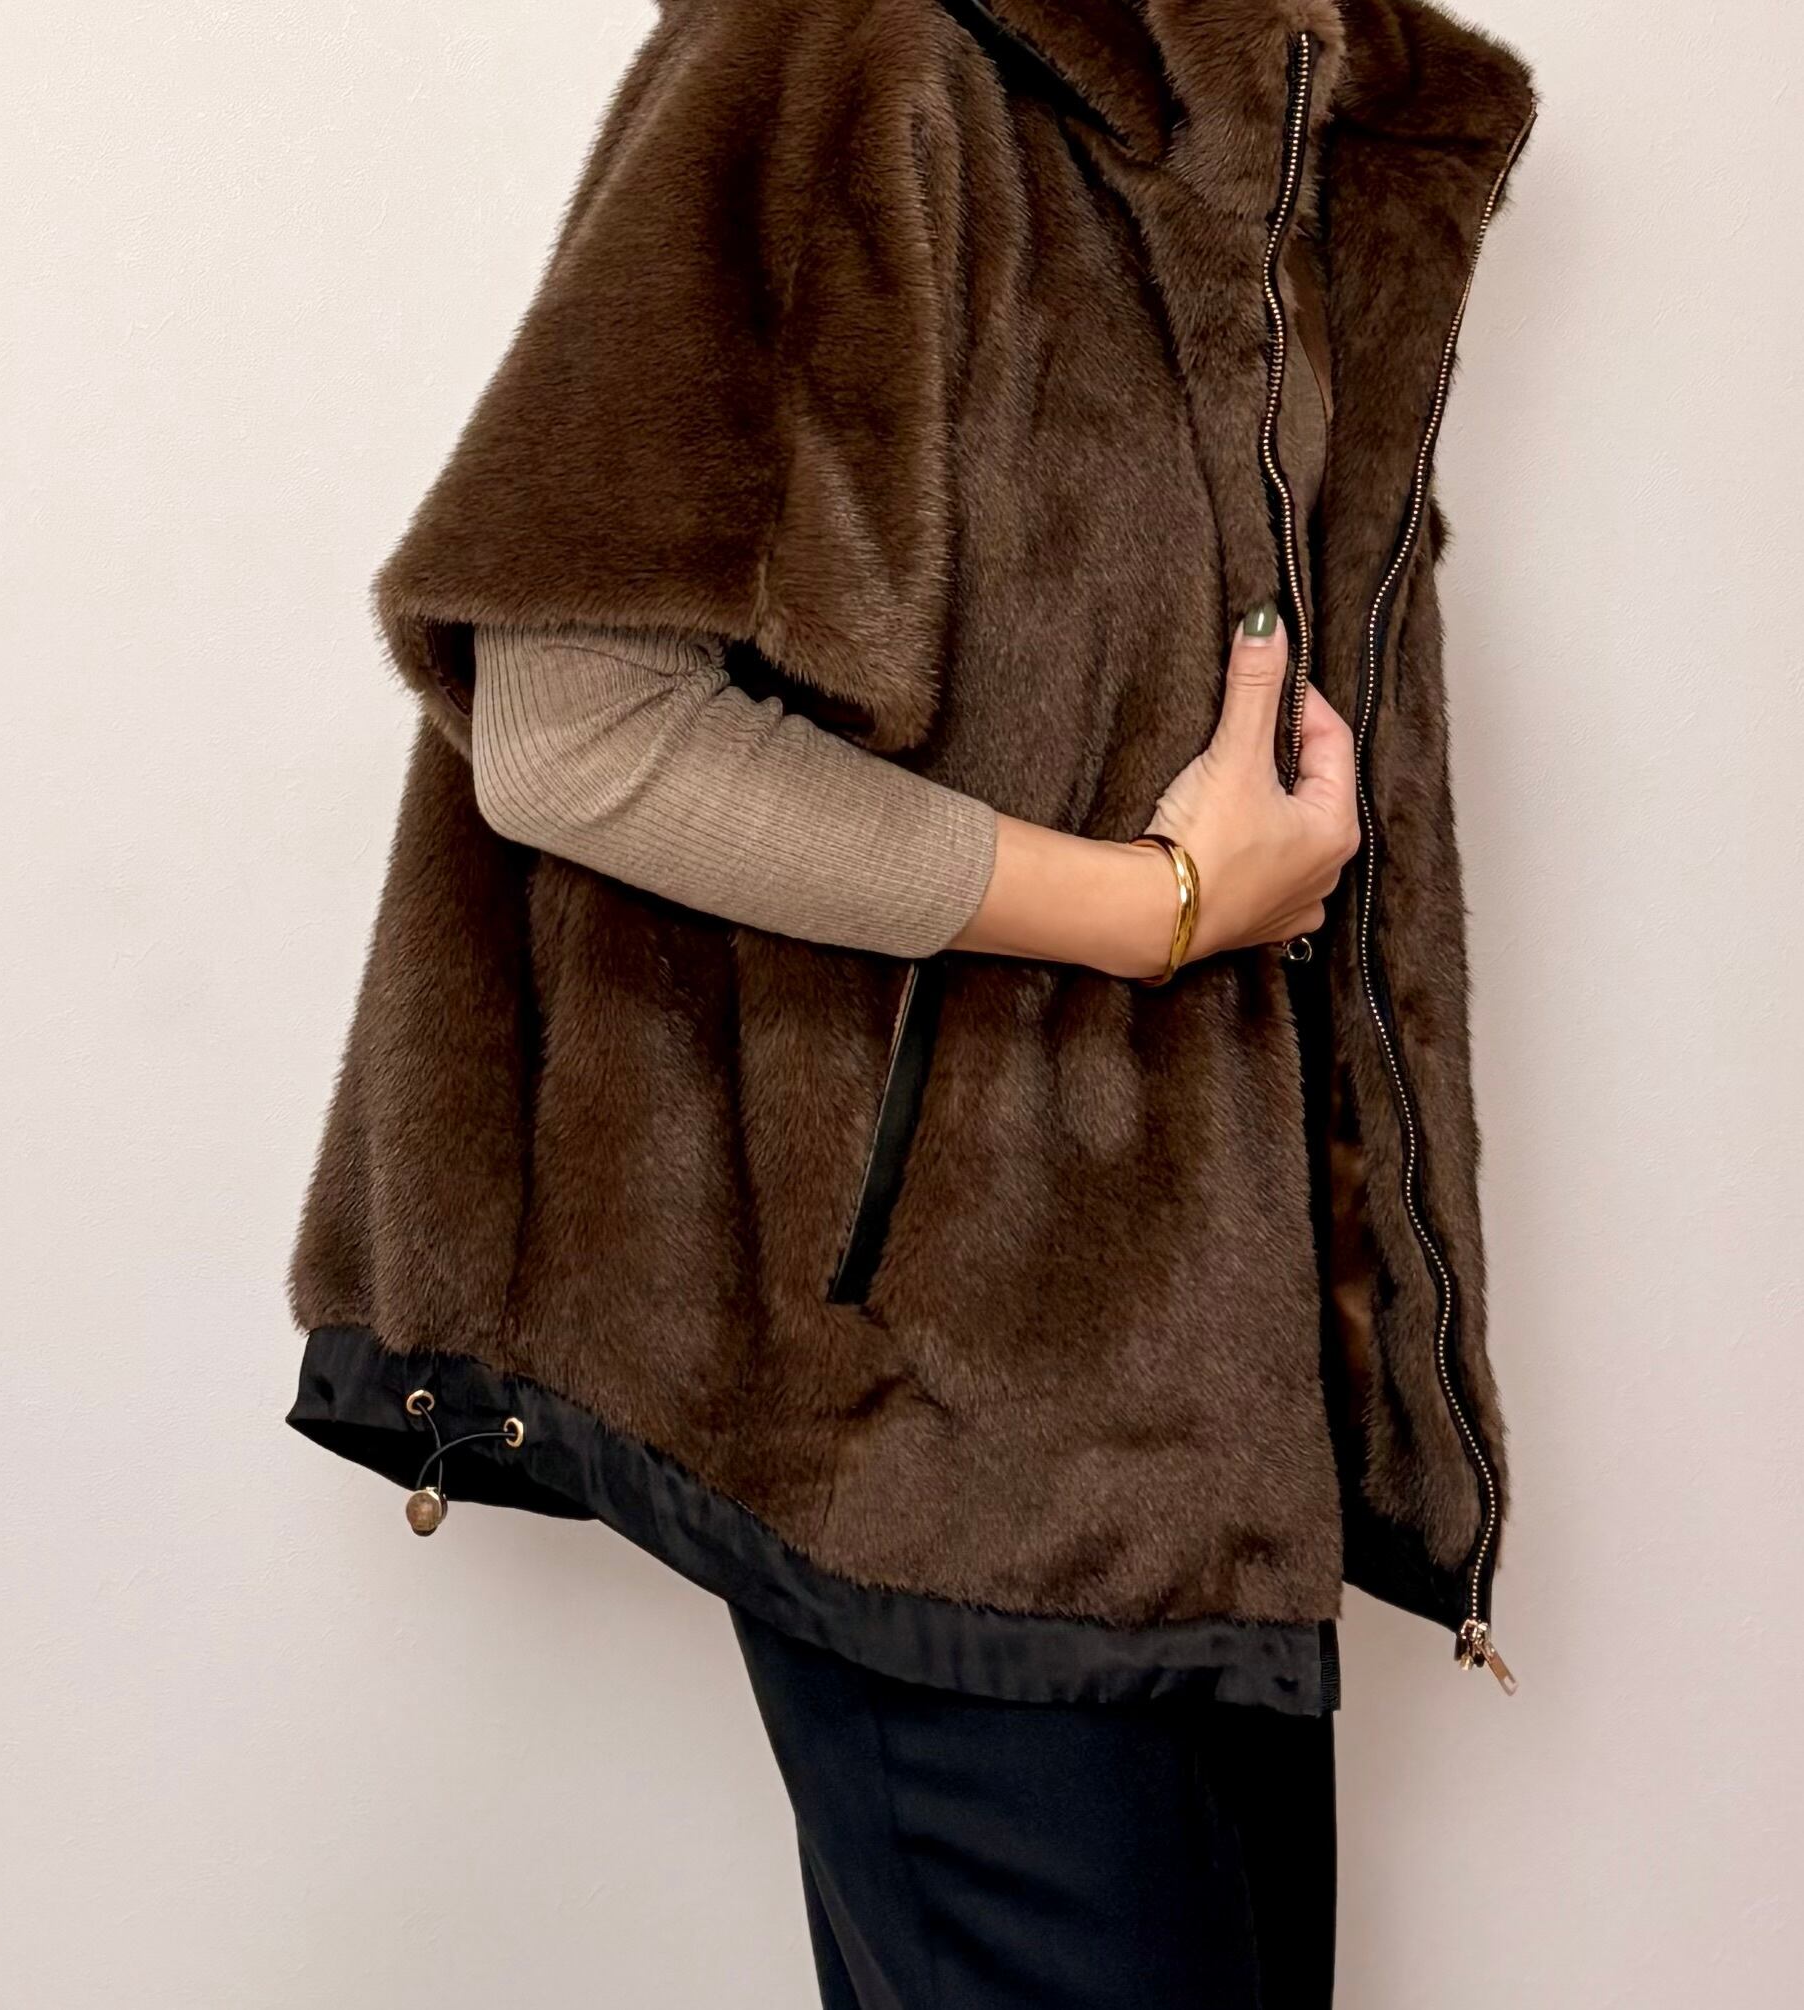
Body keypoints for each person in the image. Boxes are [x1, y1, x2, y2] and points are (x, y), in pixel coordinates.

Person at [286, 2, 1540, 2003]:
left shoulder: (1283, 113)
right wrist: (1158, 907)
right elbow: (577, 726)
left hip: (1202, 1434)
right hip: (932, 1408)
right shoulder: (853, 47)